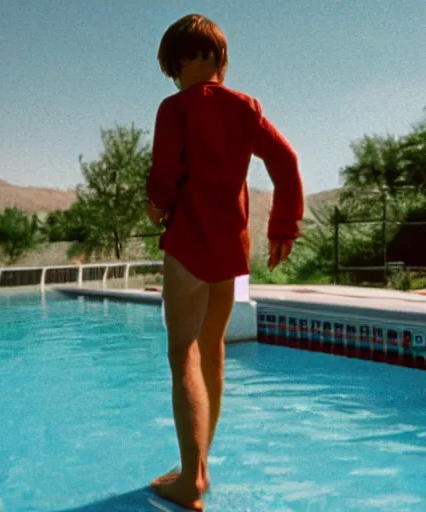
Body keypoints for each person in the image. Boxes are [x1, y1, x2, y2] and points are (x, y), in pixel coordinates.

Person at [145, 13, 304, 510]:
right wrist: (283, 227)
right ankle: (200, 466)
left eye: (177, 65)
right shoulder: (246, 109)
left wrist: (155, 206)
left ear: (186, 60)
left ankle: (189, 481)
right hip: (230, 254)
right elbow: (286, 162)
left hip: (189, 248)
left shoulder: (175, 109)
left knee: (183, 356)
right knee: (211, 349)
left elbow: (166, 175)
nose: (177, 75)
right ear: (220, 58)